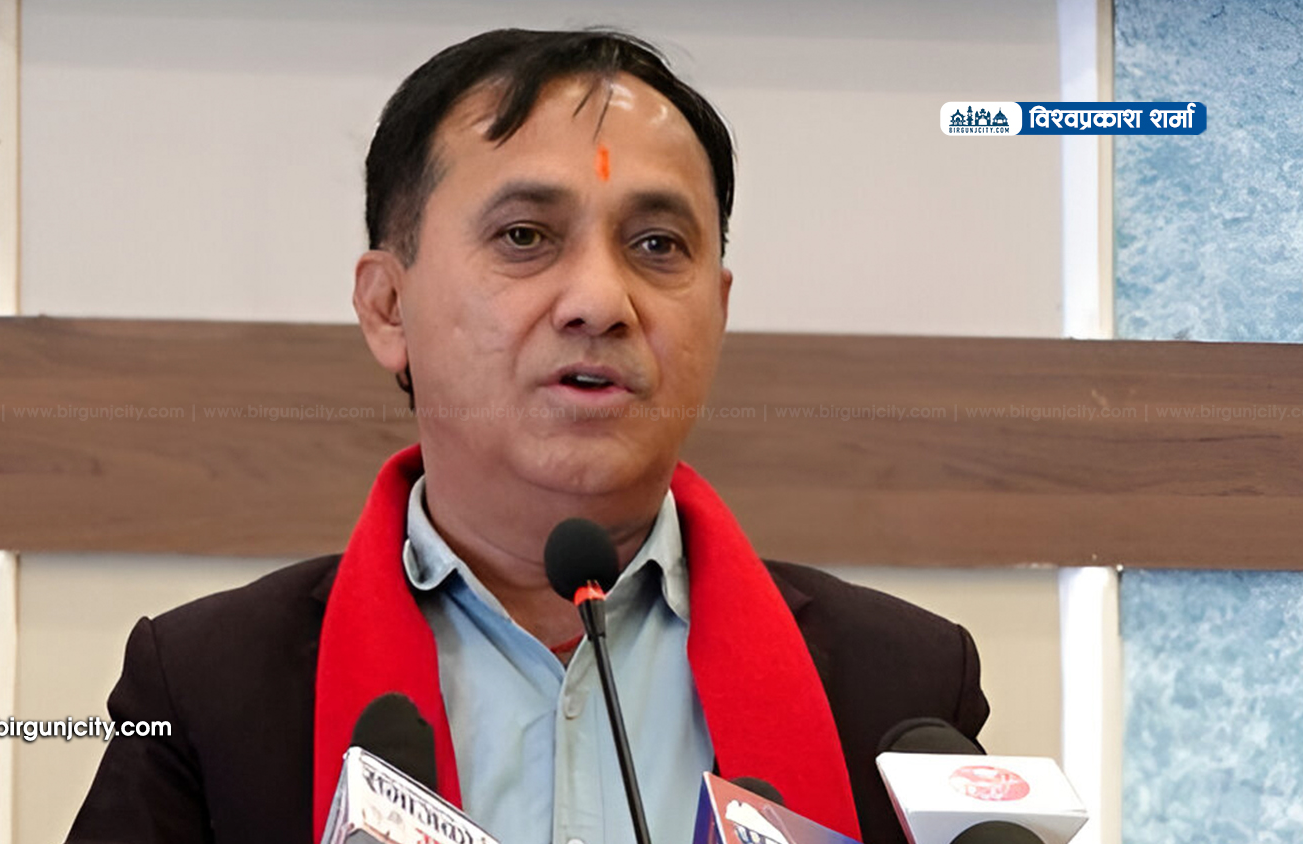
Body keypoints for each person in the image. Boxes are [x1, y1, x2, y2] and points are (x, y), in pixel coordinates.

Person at [67, 28, 988, 844]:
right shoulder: (209, 690)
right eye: (524, 236)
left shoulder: (900, 693)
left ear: (717, 310)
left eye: (658, 246)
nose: (600, 301)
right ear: (387, 307)